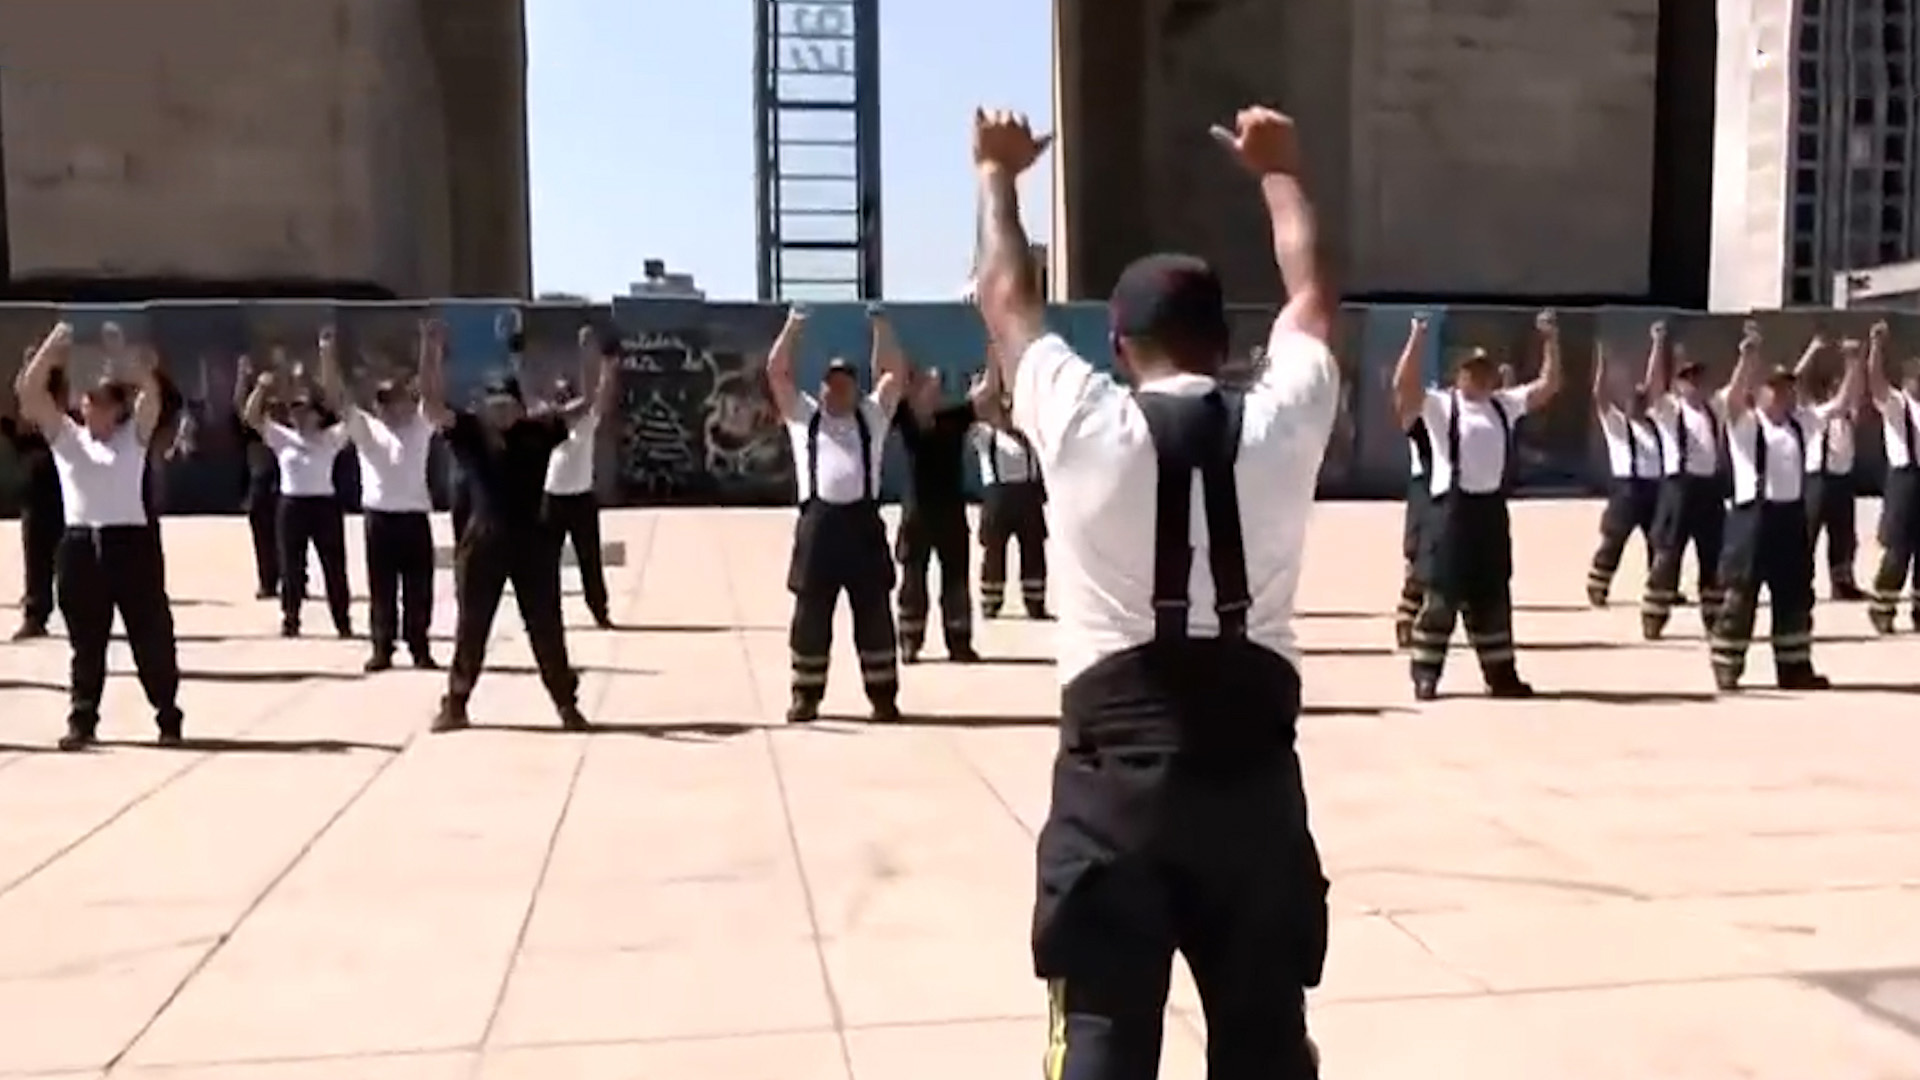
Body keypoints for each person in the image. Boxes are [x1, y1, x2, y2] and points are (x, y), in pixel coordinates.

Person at [974, 104, 1332, 1077]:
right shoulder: (1284, 423)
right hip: (1253, 785)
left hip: (1112, 793)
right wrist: (1280, 172)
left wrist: (999, 175)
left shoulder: (1087, 423)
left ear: (1121, 347)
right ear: (1226, 340)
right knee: (1264, 1045)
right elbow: (1310, 302)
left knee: (1097, 1039)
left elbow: (1006, 301)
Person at [419, 322, 609, 733]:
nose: (501, 411)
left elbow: (588, 403)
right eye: (495, 404)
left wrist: (588, 356)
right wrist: (430, 351)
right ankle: (456, 703)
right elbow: (432, 403)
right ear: (484, 406)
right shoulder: (470, 433)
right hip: (483, 542)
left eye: (508, 404)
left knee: (546, 625)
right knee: (472, 626)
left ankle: (566, 704)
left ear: (520, 406)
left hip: (533, 543)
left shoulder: (538, 433)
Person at [14, 323, 184, 750]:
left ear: (117, 409)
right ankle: (82, 720)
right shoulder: (68, 441)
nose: (93, 409)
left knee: (150, 634)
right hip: (80, 547)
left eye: (103, 403)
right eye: (89, 402)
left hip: (131, 546)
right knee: (85, 641)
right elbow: (31, 395)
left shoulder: (134, 440)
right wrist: (50, 350)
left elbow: (153, 398)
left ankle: (167, 713)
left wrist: (128, 360)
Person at [1392, 313, 1561, 701]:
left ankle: (1501, 674)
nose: (1481, 376)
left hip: (1490, 514)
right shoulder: (1439, 406)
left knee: (1493, 596)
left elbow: (1548, 386)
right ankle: (1425, 674)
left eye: (1485, 370)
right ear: (1459, 375)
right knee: (1441, 598)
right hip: (1450, 514)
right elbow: (1404, 386)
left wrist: (1551, 340)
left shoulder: (1503, 405)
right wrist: (1417, 335)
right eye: (1472, 370)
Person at [766, 308, 906, 722]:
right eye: (830, 383)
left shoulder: (872, 418)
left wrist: (882, 325)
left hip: (862, 528)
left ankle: (883, 697)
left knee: (875, 615)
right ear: (821, 388)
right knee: (810, 617)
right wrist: (792, 328)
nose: (836, 390)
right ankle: (805, 697)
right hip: (818, 531)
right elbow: (776, 373)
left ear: (855, 388)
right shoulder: (804, 418)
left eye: (845, 383)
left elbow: (894, 372)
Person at [1709, 323, 1855, 690]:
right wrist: (1747, 357)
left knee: (1794, 595)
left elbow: (1840, 406)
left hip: (1790, 519)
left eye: (1789, 387)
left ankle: (1794, 668)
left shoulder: (1799, 423)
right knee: (1741, 596)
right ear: (1760, 394)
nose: (1785, 394)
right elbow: (1730, 399)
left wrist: (1854, 363)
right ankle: (1727, 666)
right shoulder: (1744, 424)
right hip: (1753, 521)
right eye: (1776, 388)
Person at [318, 324, 438, 671]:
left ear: (407, 400)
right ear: (376, 404)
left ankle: (420, 647)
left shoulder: (419, 426)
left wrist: (428, 348)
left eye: (397, 398)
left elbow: (430, 390)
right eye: (383, 400)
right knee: (381, 588)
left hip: (414, 517)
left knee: (419, 589)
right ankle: (382, 648)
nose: (391, 406)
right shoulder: (367, 428)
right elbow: (336, 397)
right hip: (380, 518)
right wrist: (327, 354)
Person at [885, 316, 983, 663]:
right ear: (915, 391)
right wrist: (884, 329)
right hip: (917, 516)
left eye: (938, 383)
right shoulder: (905, 419)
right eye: (929, 381)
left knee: (955, 582)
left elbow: (984, 398)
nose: (936, 385)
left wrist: (997, 348)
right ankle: (910, 641)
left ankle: (959, 642)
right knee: (913, 581)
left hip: (952, 516)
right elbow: (890, 376)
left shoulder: (954, 418)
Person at [244, 370, 353, 638]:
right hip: (292, 505)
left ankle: (342, 620)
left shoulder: (331, 438)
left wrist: (330, 376)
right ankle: (290, 618)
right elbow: (251, 417)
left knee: (334, 566)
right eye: (294, 411)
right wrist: (260, 388)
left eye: (304, 411)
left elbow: (352, 417)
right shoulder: (283, 437)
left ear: (317, 415)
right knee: (291, 565)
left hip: (324, 505)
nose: (298, 416)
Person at [1640, 337, 1729, 640]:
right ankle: (1654, 615)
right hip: (1679, 489)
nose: (1695, 384)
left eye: (1699, 378)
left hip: (1710, 490)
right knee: (1667, 556)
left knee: (1713, 556)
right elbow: (1652, 386)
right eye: (1689, 378)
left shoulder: (1715, 409)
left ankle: (1713, 617)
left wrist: (1749, 353)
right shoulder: (1669, 410)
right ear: (1678, 384)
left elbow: (1742, 386)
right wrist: (1657, 345)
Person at [542, 326, 620, 630]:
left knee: (590, 558)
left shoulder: (585, 422)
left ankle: (599, 610)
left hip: (581, 498)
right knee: (546, 561)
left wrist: (604, 365)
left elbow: (598, 396)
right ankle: (546, 614)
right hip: (551, 499)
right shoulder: (547, 425)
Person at [1584, 343, 1665, 607]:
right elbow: (1600, 396)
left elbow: (1656, 386)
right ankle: (1598, 585)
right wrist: (1603, 367)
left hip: (1655, 490)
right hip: (1627, 491)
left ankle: (1659, 589)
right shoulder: (1617, 425)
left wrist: (1658, 347)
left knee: (1659, 542)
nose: (1639, 403)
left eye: (1643, 399)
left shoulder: (1656, 425)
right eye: (1635, 399)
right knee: (1614, 539)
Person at [970, 366, 1050, 620]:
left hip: (1028, 500)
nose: (1006, 414)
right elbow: (974, 408)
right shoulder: (984, 436)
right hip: (997, 500)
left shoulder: (1032, 437)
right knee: (994, 552)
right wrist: (983, 386)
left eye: (1010, 409)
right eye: (1001, 410)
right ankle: (991, 601)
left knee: (1034, 550)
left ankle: (1035, 602)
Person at [1795, 334, 1867, 600]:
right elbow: (1798, 379)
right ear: (1827, 391)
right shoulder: (1814, 413)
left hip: (1842, 479)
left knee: (1844, 535)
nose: (1843, 392)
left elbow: (1856, 392)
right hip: (1817, 479)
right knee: (1809, 533)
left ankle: (1842, 583)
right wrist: (1812, 350)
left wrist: (1854, 362)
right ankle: (1801, 582)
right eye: (1837, 388)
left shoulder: (1847, 416)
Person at [1864, 321, 1920, 634]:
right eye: (1916, 377)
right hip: (1904, 479)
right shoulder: (1897, 404)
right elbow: (1876, 383)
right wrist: (1876, 347)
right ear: (1907, 379)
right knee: (1899, 547)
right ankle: (1882, 606)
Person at [3, 351, 62, 640]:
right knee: (36, 555)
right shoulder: (24, 401)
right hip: (35, 489)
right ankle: (36, 614)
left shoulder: (53, 399)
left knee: (69, 557)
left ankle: (79, 613)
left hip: (58, 486)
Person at [1392, 319, 1433, 648]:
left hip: (1452, 492)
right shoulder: (1418, 421)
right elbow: (1401, 386)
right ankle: (1408, 613)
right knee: (1418, 555)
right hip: (1425, 488)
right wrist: (1416, 338)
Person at [233, 355, 283, 598]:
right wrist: (243, 376)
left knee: (288, 531)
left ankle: (294, 579)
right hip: (260, 471)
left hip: (285, 473)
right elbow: (242, 411)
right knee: (263, 530)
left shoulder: (288, 404)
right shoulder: (253, 404)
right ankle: (268, 580)